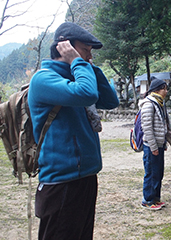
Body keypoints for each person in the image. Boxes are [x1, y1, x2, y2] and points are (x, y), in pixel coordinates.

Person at [28, 22, 119, 239]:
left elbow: (110, 100)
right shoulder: (43, 79)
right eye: (86, 50)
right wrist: (78, 63)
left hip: (85, 177)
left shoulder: (78, 76)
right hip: (61, 182)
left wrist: (85, 65)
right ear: (64, 47)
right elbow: (87, 94)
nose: (89, 56)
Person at [139, 76, 171, 210]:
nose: (166, 91)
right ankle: (147, 200)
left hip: (159, 144)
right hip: (150, 145)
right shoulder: (149, 104)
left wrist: (163, 142)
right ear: (158, 90)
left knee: (158, 172)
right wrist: (153, 146)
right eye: (165, 89)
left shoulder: (159, 103)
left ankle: (155, 198)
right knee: (151, 172)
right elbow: (146, 127)